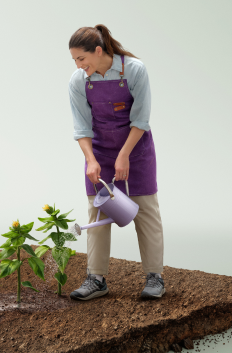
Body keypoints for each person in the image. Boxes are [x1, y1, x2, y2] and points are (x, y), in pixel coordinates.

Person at [67, 24, 165, 301]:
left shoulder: (134, 70)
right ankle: (96, 279)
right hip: (99, 151)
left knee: (145, 210)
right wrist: (90, 161)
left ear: (98, 51)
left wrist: (124, 155)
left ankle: (154, 276)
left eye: (81, 58)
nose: (78, 65)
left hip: (136, 149)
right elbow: (82, 127)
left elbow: (141, 120)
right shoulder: (78, 80)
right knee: (97, 213)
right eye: (74, 60)